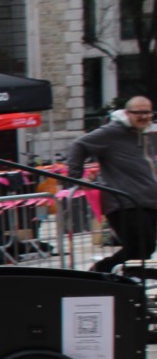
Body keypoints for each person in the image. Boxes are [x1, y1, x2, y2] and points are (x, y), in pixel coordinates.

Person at [68, 95, 157, 276]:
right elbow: (79, 145)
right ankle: (99, 273)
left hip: (147, 200)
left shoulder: (146, 133)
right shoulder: (112, 132)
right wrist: (76, 178)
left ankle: (130, 283)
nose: (144, 116)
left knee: (145, 248)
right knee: (139, 246)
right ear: (126, 113)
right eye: (138, 113)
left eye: (147, 112)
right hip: (124, 201)